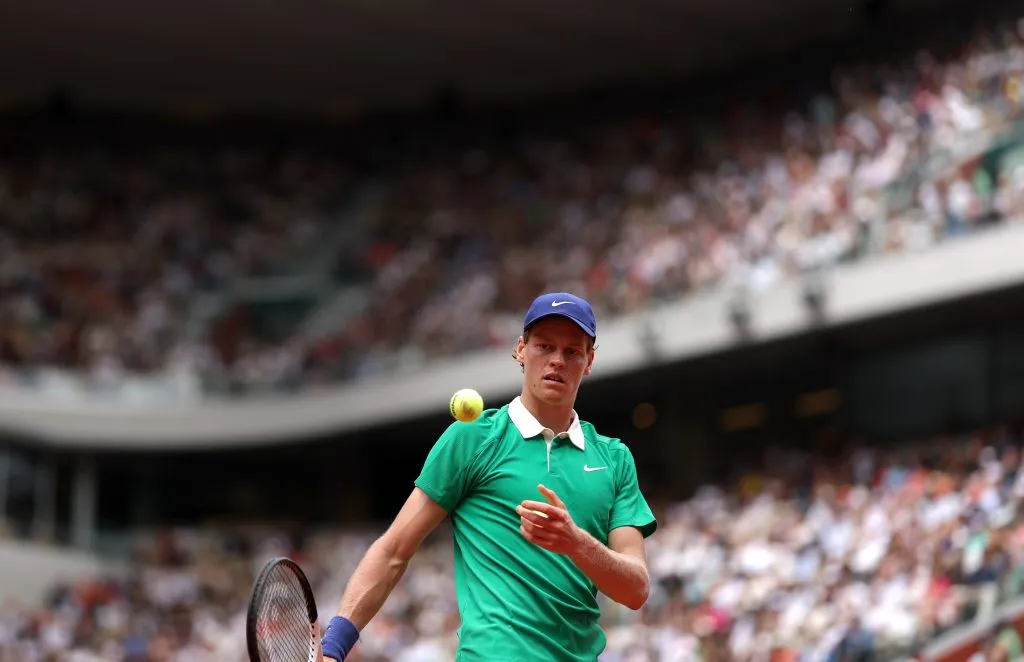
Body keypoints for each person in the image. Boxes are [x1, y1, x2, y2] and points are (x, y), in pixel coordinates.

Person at [319, 291, 658, 662]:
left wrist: (575, 542)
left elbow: (636, 589)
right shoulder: (472, 438)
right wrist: (334, 644)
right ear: (520, 350)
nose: (557, 361)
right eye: (544, 346)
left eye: (573, 351)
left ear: (589, 361)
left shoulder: (614, 458)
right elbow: (394, 549)